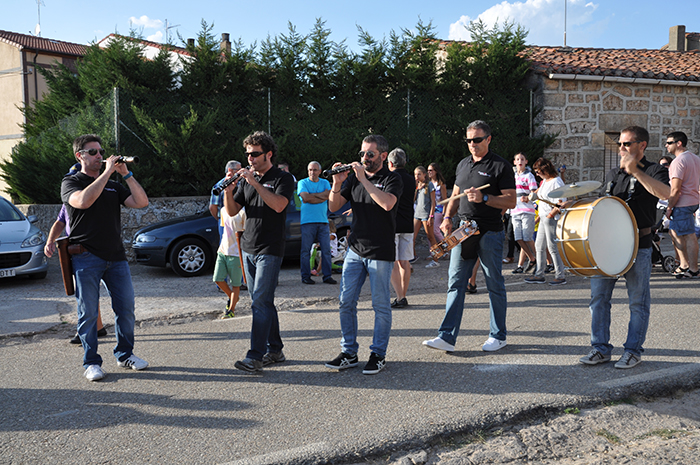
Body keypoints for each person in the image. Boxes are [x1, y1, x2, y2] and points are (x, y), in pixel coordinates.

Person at [61, 134, 150, 382]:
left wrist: (126, 175)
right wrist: (108, 172)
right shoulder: (71, 182)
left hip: (116, 257)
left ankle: (125, 354)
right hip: (86, 257)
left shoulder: (113, 185)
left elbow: (141, 202)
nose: (99, 156)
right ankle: (91, 362)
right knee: (88, 313)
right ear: (79, 156)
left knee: (126, 309)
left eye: (100, 151)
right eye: (93, 152)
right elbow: (83, 201)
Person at [579, 126, 669, 369]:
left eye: (626, 144)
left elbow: (665, 193)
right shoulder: (613, 173)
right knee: (598, 299)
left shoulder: (654, 170)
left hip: (639, 245)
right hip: (607, 247)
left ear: (642, 145)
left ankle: (633, 351)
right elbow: (604, 206)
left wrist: (636, 172)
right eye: (619, 143)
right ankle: (600, 348)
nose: (621, 148)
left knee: (638, 302)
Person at [422, 120, 516, 353]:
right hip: (463, 231)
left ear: (488, 139)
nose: (472, 144)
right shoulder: (463, 164)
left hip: (490, 231)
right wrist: (447, 217)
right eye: (469, 140)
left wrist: (485, 198)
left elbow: (511, 200)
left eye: (477, 140)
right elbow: (455, 195)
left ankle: (498, 335)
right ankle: (446, 336)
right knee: (455, 283)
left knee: (494, 283)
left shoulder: (501, 166)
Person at [324, 134, 403, 375]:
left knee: (380, 305)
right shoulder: (354, 179)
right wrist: (337, 183)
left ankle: (378, 354)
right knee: (346, 301)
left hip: (380, 251)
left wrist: (363, 179)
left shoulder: (392, 178)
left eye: (370, 154)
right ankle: (348, 352)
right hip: (355, 250)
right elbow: (333, 206)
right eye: (362, 153)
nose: (364, 158)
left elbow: (387, 203)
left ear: (383, 156)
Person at [223, 131, 296, 373]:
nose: (250, 159)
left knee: (261, 303)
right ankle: (275, 350)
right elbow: (232, 211)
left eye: (255, 154)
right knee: (262, 302)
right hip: (249, 247)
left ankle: (255, 356)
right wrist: (228, 190)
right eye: (248, 154)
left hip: (270, 248)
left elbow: (279, 205)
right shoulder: (246, 180)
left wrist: (255, 183)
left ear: (269, 154)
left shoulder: (283, 178)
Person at [44, 200, 107, 343]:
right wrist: (50, 241)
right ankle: (98, 327)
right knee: (87, 293)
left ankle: (84, 331)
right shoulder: (69, 199)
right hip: (78, 254)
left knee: (85, 295)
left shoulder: (93, 197)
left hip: (95, 253)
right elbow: (60, 222)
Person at [524, 158, 567, 286]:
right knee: (539, 246)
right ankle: (539, 274)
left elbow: (561, 202)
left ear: (545, 169)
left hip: (550, 217)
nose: (537, 174)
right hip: (544, 217)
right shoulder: (545, 181)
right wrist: (530, 197)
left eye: (538, 171)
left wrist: (550, 215)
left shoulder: (556, 181)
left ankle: (560, 275)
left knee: (552, 246)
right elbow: (539, 193)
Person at [664, 131, 700, 278]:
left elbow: (676, 189)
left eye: (669, 142)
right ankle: (685, 265)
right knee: (674, 232)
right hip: (693, 201)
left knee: (688, 235)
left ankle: (691, 268)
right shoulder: (695, 158)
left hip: (682, 203)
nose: (666, 145)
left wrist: (669, 207)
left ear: (679, 143)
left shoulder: (678, 162)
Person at [297, 161, 336, 285]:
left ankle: (327, 276)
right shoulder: (302, 182)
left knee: (326, 250)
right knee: (306, 251)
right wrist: (321, 196)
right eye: (310, 170)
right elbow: (305, 198)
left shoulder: (325, 182)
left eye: (314, 170)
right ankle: (305, 276)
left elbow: (328, 196)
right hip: (307, 222)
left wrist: (312, 196)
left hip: (323, 221)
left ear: (319, 171)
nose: (312, 172)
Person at [214, 169, 246, 319]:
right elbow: (224, 231)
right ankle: (233, 297)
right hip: (223, 251)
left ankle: (231, 309)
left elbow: (245, 232)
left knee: (236, 284)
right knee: (218, 279)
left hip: (236, 253)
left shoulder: (243, 212)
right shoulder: (222, 210)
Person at [388, 148, 416, 308]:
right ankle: (403, 295)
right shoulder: (411, 179)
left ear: (391, 163)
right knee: (404, 261)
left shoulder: (390, 178)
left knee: (392, 261)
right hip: (407, 222)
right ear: (404, 162)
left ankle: (399, 297)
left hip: (392, 224)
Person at [510, 153, 538, 274]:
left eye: (522, 159)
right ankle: (533, 258)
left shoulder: (529, 175)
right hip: (515, 211)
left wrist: (528, 197)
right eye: (517, 159)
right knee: (518, 238)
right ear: (514, 162)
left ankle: (539, 259)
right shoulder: (512, 176)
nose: (520, 161)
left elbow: (534, 192)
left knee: (527, 237)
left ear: (526, 161)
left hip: (527, 210)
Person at [413, 166, 440, 268]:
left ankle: (435, 259)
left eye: (419, 174)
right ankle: (413, 256)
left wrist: (431, 216)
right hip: (417, 214)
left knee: (430, 237)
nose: (417, 176)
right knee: (412, 236)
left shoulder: (430, 185)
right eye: (415, 174)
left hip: (426, 214)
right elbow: (413, 200)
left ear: (424, 174)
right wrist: (416, 189)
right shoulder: (417, 185)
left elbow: (433, 202)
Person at [427, 163, 446, 243]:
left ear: (436, 171)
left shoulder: (440, 185)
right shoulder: (427, 184)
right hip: (429, 210)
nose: (429, 172)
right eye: (428, 170)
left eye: (431, 170)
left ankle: (446, 246)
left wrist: (444, 213)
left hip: (438, 210)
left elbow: (445, 200)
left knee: (436, 231)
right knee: (429, 232)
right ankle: (432, 250)